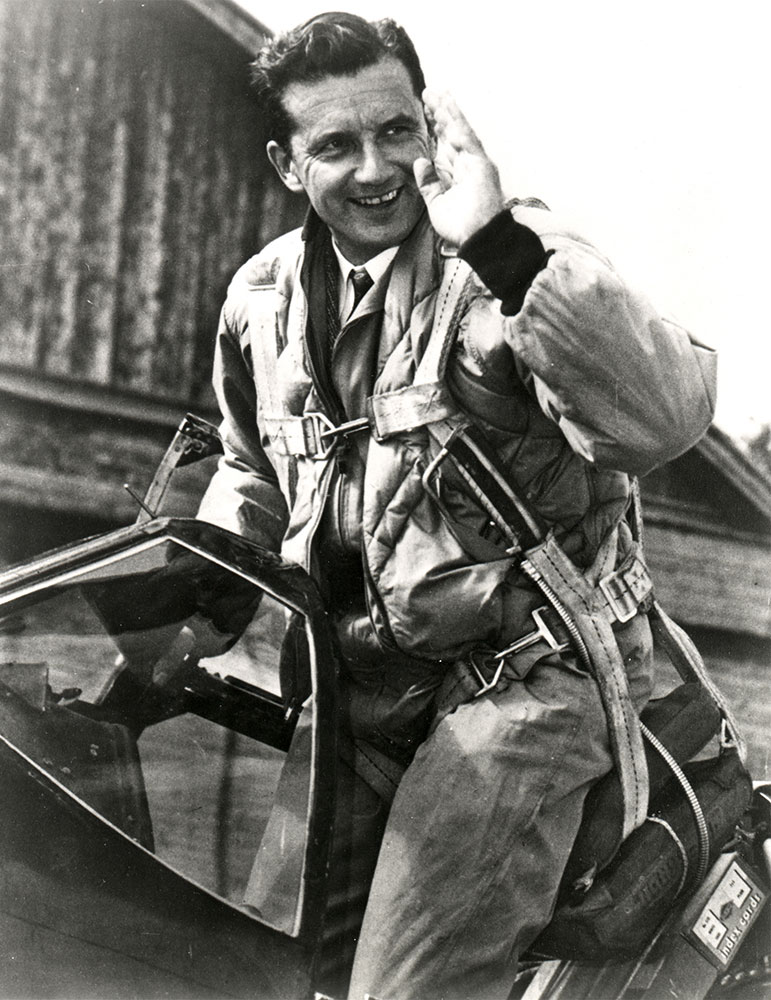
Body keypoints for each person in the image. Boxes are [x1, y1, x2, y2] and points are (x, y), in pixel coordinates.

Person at [197, 12, 717, 999]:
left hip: (520, 692)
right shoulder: (261, 300)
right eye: (336, 145)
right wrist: (195, 600)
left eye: (396, 130)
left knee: (405, 990)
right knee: (244, 963)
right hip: (358, 692)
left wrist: (498, 246)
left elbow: (664, 417)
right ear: (283, 162)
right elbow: (249, 469)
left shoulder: (505, 253)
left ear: (429, 124)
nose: (376, 169)